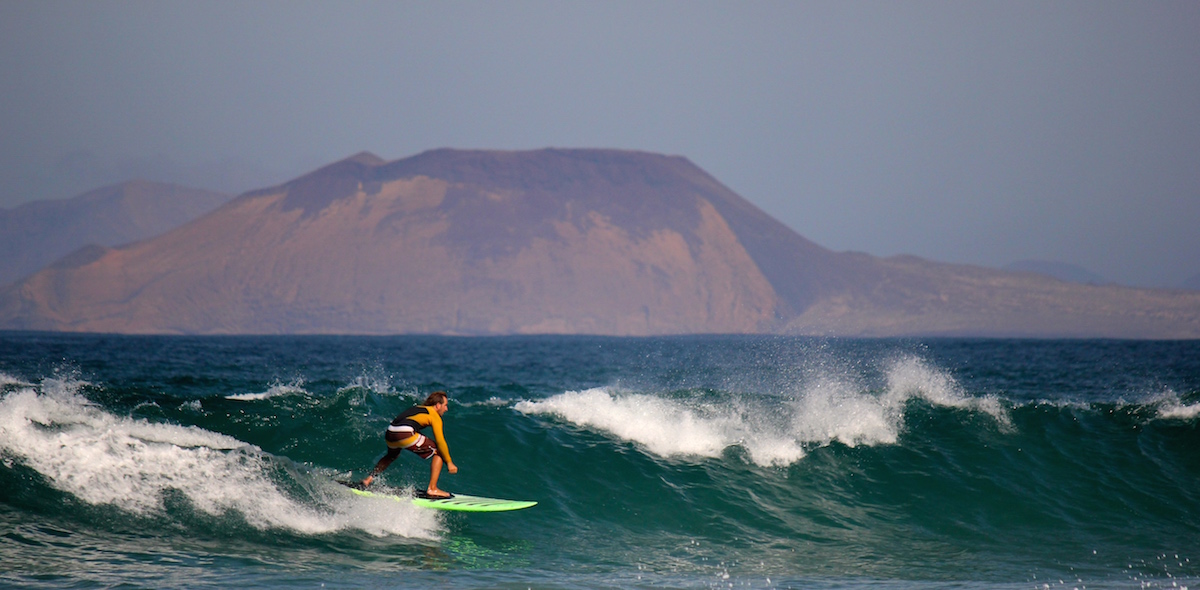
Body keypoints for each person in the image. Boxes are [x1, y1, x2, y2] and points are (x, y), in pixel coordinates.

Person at [359, 391, 458, 498]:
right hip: (404, 432)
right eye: (445, 405)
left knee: (391, 455)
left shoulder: (418, 408)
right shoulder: (434, 416)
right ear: (438, 405)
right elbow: (440, 441)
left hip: (390, 431)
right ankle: (432, 488)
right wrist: (449, 462)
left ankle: (368, 479)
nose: (446, 409)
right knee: (438, 451)